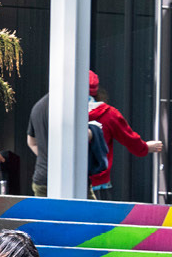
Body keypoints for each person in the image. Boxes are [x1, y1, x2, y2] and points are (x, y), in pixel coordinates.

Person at [87, 70, 163, 199]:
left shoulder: (60, 111)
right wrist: (145, 147)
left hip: (64, 181)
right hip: (99, 184)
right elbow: (129, 139)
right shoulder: (109, 114)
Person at [27, 92, 111, 199]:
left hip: (43, 178)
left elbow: (31, 143)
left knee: (46, 214)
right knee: (90, 214)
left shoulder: (38, 107)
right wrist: (93, 131)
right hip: (73, 180)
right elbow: (78, 138)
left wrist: (49, 158)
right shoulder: (70, 107)